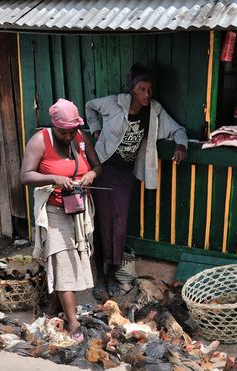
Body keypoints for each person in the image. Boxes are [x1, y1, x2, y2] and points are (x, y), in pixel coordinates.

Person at [85, 63, 188, 298]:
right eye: (142, 89)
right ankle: (99, 278)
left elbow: (178, 129)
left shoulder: (154, 110)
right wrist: (96, 131)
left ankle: (112, 273)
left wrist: (181, 145)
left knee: (118, 226)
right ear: (132, 89)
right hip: (102, 168)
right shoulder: (114, 103)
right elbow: (90, 107)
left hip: (124, 174)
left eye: (150, 89)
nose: (147, 94)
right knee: (101, 223)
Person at [20, 99, 102, 343]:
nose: (68, 136)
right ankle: (73, 321)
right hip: (54, 210)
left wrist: (90, 174)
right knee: (63, 258)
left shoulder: (80, 138)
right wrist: (54, 177)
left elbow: (98, 166)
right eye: (63, 132)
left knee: (74, 258)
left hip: (78, 209)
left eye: (72, 130)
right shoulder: (40, 140)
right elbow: (25, 176)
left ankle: (52, 306)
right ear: (54, 126)